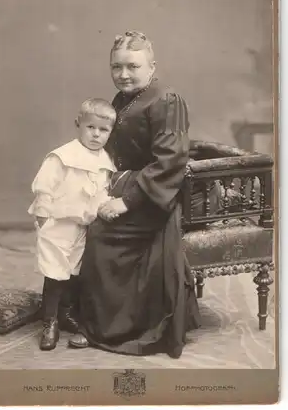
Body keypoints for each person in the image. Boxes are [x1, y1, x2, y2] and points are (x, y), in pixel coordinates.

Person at [68, 31, 219, 358]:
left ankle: (122, 329)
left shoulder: (167, 100)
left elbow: (170, 161)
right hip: (123, 183)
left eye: (132, 67)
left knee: (102, 234)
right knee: (80, 221)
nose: (123, 74)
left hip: (153, 195)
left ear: (152, 67)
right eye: (116, 67)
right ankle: (93, 317)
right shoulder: (123, 98)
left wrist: (126, 200)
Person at [28, 98, 117, 351]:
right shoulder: (62, 156)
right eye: (91, 128)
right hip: (58, 223)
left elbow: (102, 191)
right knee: (55, 273)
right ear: (79, 124)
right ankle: (50, 321)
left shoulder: (105, 161)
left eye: (103, 130)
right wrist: (44, 218)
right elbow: (44, 188)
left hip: (83, 225)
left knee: (74, 271)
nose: (96, 134)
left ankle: (66, 314)